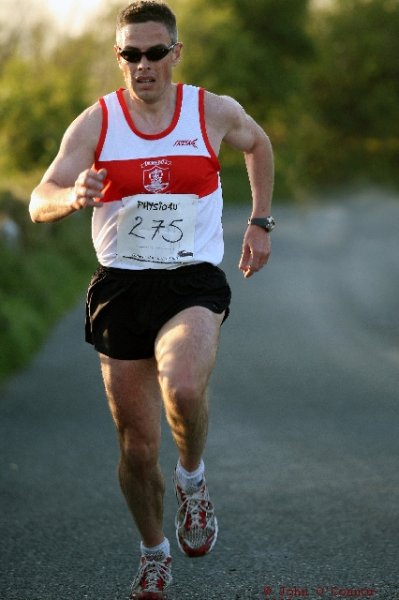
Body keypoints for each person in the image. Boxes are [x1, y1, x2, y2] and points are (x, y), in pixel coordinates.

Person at [29, 1, 275, 597]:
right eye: (130, 55)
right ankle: (153, 549)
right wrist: (74, 196)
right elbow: (40, 200)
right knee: (137, 447)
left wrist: (261, 221)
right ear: (120, 58)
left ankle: (193, 482)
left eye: (154, 53)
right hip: (121, 287)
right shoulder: (96, 123)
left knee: (184, 386)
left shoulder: (210, 111)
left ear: (175, 53)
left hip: (191, 279)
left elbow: (259, 144)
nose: (143, 66)